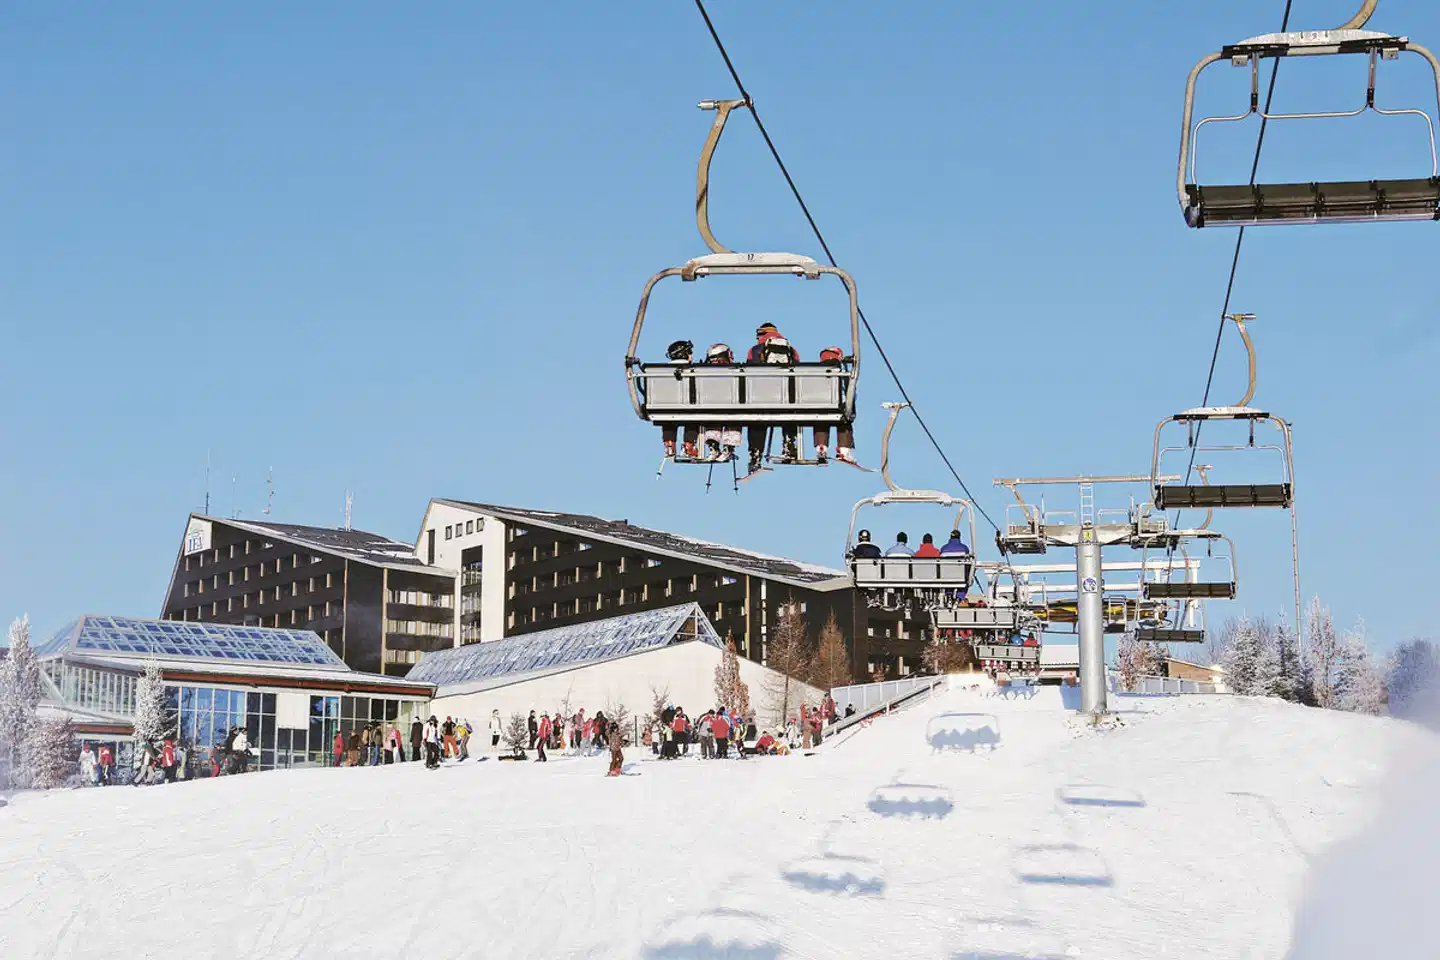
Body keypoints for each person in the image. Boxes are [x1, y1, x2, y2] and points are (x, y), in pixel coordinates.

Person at [744, 323, 801, 472]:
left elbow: (749, 369)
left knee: (757, 421)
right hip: (786, 395)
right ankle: (789, 447)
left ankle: (755, 456)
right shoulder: (791, 349)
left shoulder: (755, 349)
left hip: (762, 394)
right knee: (789, 416)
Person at [811, 346, 857, 464]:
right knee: (844, 421)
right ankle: (844, 450)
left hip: (820, 408)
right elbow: (849, 393)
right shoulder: (842, 373)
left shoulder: (815, 373)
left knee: (820, 421)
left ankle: (821, 447)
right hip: (838, 408)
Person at [700, 344, 742, 461]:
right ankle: (728, 447)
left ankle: (713, 447)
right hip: (731, 408)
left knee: (712, 418)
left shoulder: (704, 373)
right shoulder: (733, 371)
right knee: (735, 418)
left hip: (711, 408)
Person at [660, 340, 701, 459]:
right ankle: (689, 446)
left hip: (666, 407)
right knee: (693, 417)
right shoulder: (693, 370)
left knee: (667, 416)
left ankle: (669, 444)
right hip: (689, 407)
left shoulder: (662, 371)